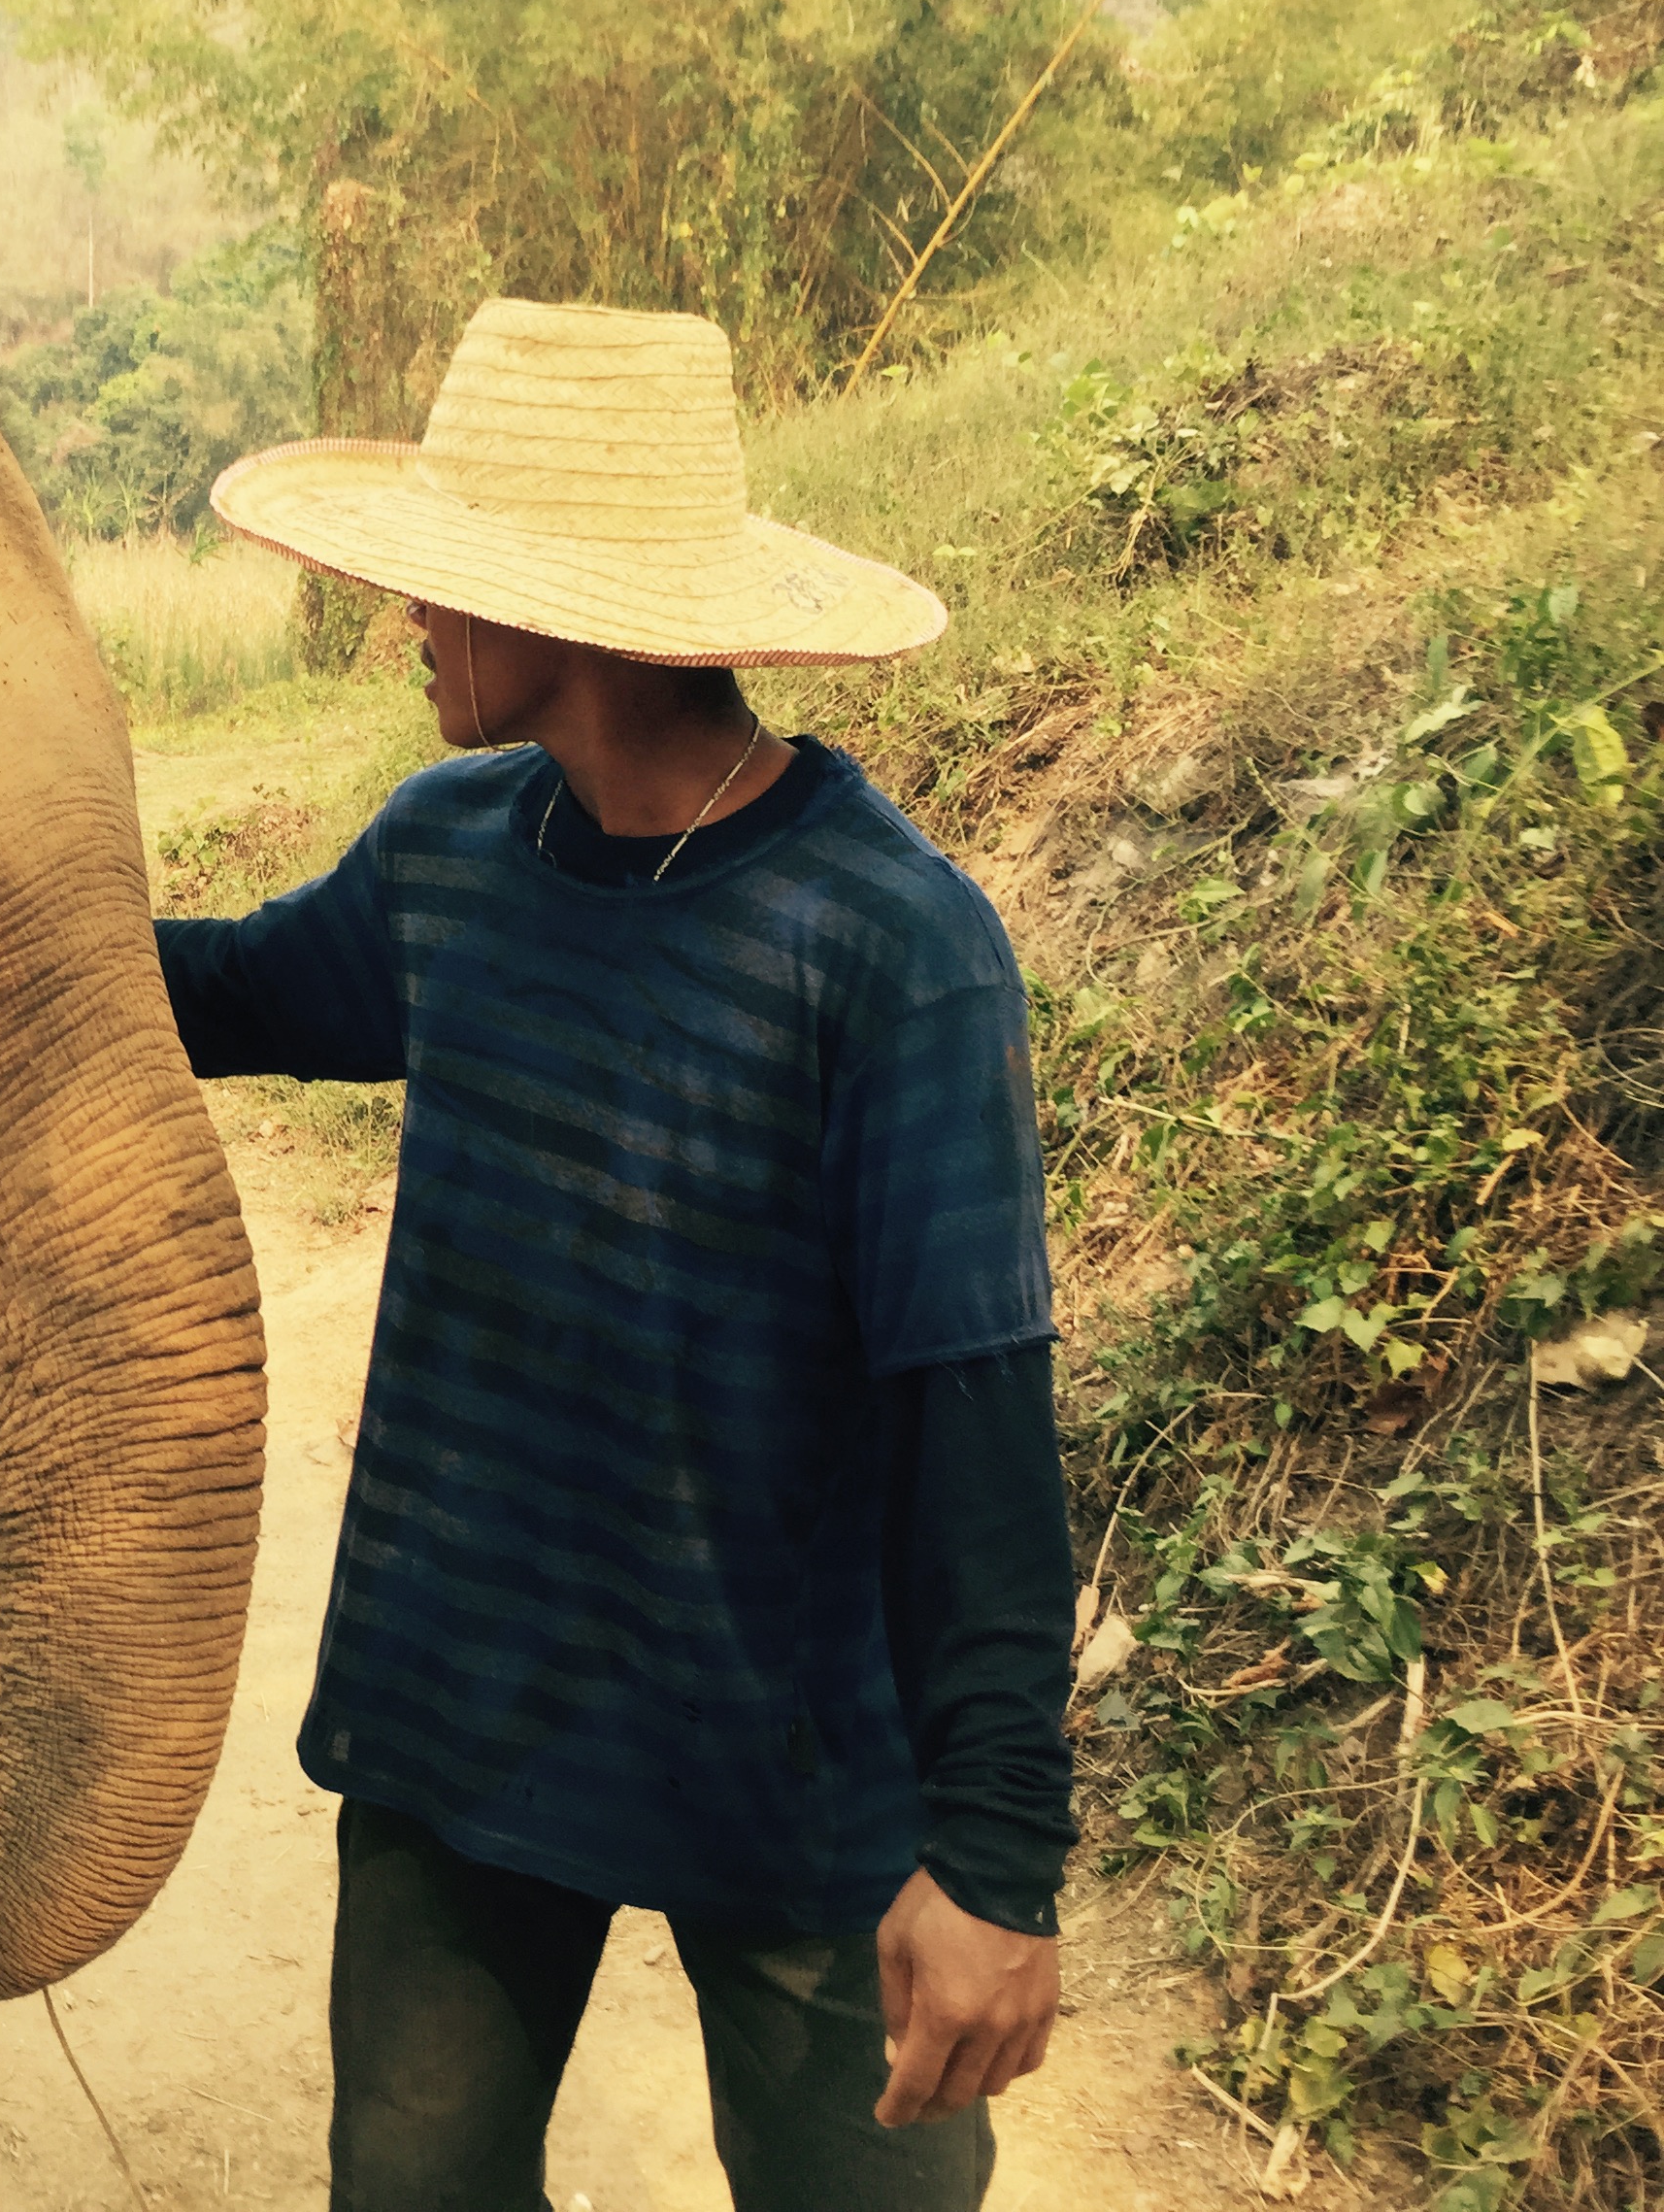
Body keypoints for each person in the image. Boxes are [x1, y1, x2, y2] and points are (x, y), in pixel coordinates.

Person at [161, 301, 1078, 2212]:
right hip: (460, 1717)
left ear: (555, 612)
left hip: (795, 1768)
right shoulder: (448, 856)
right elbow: (228, 987)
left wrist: (993, 1862)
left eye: (436, 587)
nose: (404, 620)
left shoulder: (890, 949)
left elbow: (972, 1434)